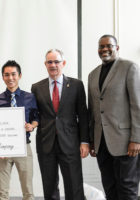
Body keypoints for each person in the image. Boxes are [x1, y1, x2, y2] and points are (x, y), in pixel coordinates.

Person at [31, 49, 89, 200]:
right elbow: (34, 114)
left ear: (63, 63)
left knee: (74, 185)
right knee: (49, 187)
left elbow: (83, 115)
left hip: (70, 143)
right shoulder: (36, 87)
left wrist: (84, 141)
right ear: (45, 64)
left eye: (56, 61)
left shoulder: (76, 85)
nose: (53, 65)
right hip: (46, 144)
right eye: (49, 62)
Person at [88, 34, 140, 200]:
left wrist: (137, 139)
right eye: (101, 46)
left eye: (108, 45)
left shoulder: (129, 67)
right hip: (102, 143)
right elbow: (93, 111)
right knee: (109, 187)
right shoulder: (92, 75)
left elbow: (137, 105)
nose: (105, 49)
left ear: (116, 48)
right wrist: (92, 141)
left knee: (127, 188)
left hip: (126, 142)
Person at [0, 60, 39, 200]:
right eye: (6, 75)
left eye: (13, 74)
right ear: (2, 77)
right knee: (2, 192)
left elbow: (36, 117)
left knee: (28, 190)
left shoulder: (30, 97)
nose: (10, 78)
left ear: (20, 75)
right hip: (2, 149)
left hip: (23, 147)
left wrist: (32, 126)